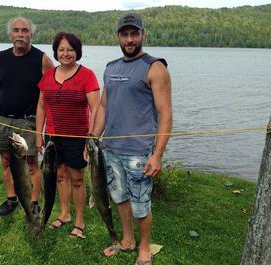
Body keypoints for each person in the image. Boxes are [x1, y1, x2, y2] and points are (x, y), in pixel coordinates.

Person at [91, 13, 172, 265]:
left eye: (134, 33)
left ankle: (145, 248)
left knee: (140, 205)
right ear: (118, 36)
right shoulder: (110, 68)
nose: (129, 39)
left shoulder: (155, 67)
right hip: (110, 149)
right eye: (124, 34)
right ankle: (127, 240)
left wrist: (157, 155)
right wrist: (93, 140)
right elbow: (103, 106)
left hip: (139, 152)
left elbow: (166, 114)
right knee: (120, 197)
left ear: (142, 34)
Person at [0, 17, 53, 219]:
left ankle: (34, 203)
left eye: (25, 30)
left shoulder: (42, 59)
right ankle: (12, 199)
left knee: (32, 164)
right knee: (6, 162)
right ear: (11, 34)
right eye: (16, 30)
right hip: (1, 119)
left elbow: (50, 94)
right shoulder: (0, 58)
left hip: (27, 121)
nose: (20, 34)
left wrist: (45, 127)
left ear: (31, 34)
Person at [35, 32, 100, 238]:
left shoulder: (87, 75)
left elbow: (96, 109)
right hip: (53, 137)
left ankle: (79, 220)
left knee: (77, 179)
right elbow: (41, 107)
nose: (65, 53)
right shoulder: (48, 76)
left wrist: (90, 141)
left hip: (78, 137)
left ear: (77, 52)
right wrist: (39, 135)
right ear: (56, 52)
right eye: (61, 49)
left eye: (70, 49)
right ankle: (64, 214)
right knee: (60, 175)